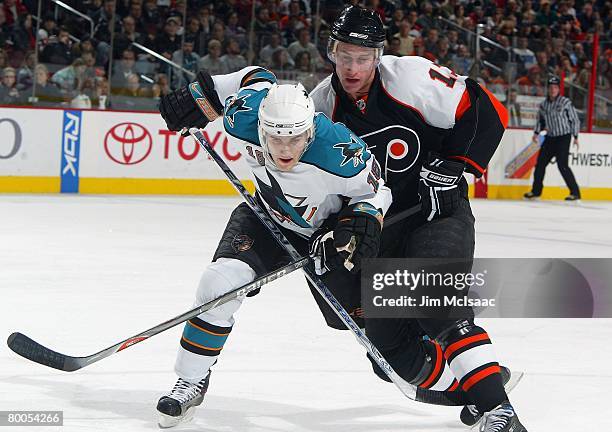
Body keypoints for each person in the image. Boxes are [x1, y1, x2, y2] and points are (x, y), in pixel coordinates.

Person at [307, 6, 525, 432]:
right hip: (381, 232)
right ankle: (480, 385)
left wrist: (453, 165)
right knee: (389, 353)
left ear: (379, 55)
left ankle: (500, 413)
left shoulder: (408, 77)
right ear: (331, 52)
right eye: (344, 55)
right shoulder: (320, 108)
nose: (353, 67)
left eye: (363, 57)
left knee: (435, 302)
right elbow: (322, 193)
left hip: (438, 216)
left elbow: (486, 111)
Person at [156, 69, 392, 428]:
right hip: (265, 217)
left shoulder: (339, 151)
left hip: (323, 236)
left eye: (295, 140)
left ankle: (449, 369)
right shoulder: (242, 116)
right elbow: (254, 76)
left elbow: (377, 191)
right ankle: (191, 378)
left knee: (371, 325)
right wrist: (199, 94)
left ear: (310, 131)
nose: (284, 150)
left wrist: (359, 221)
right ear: (260, 129)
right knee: (218, 283)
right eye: (274, 139)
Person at [524, 76, 581, 201]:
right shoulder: (544, 105)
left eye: (555, 87)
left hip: (563, 137)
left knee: (562, 165)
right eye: (550, 87)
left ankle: (575, 193)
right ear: (548, 89)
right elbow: (541, 121)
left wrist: (575, 136)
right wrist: (536, 133)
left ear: (558, 89)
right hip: (550, 138)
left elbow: (574, 120)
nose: (553, 90)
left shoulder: (565, 102)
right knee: (540, 165)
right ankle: (536, 192)